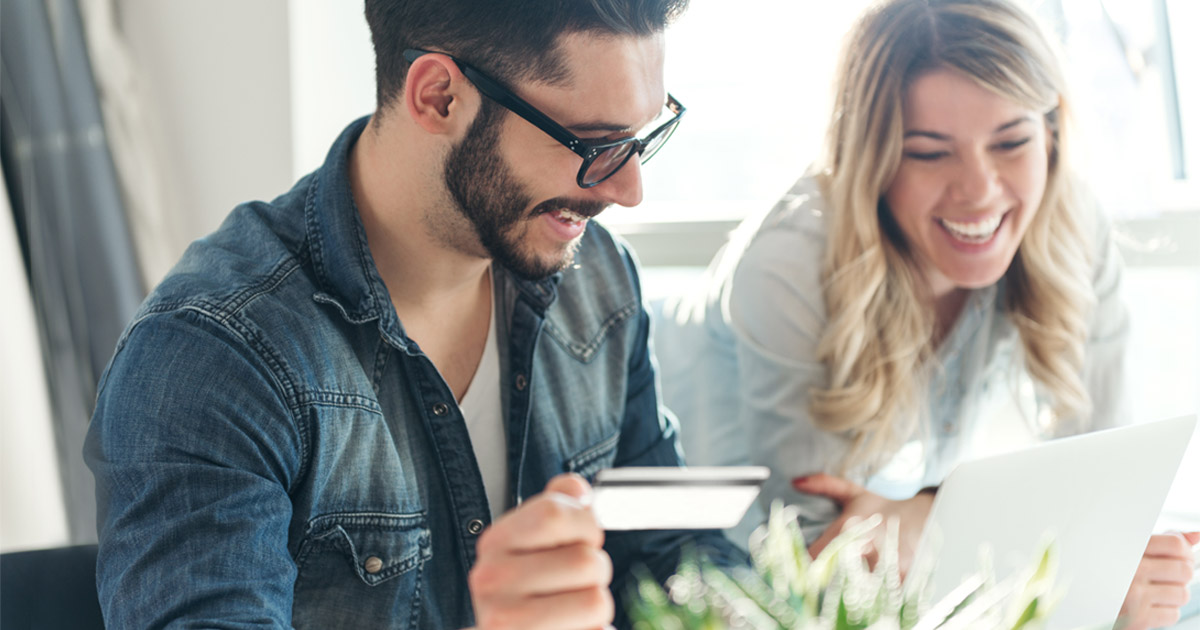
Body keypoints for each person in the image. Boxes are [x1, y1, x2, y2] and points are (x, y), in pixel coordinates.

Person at [83, 1, 743, 628]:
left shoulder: (596, 279)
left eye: (640, 137)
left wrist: (815, 588)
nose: (628, 191)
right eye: (594, 144)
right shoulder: (212, 358)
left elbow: (671, 556)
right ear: (438, 97)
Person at [654, 0, 1196, 627]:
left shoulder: (1068, 220)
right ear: (872, 157)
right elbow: (820, 554)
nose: (980, 190)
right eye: (931, 152)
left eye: (1012, 140)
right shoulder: (788, 263)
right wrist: (933, 513)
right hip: (682, 509)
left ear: (1050, 133)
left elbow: (1111, 483)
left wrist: (1111, 573)